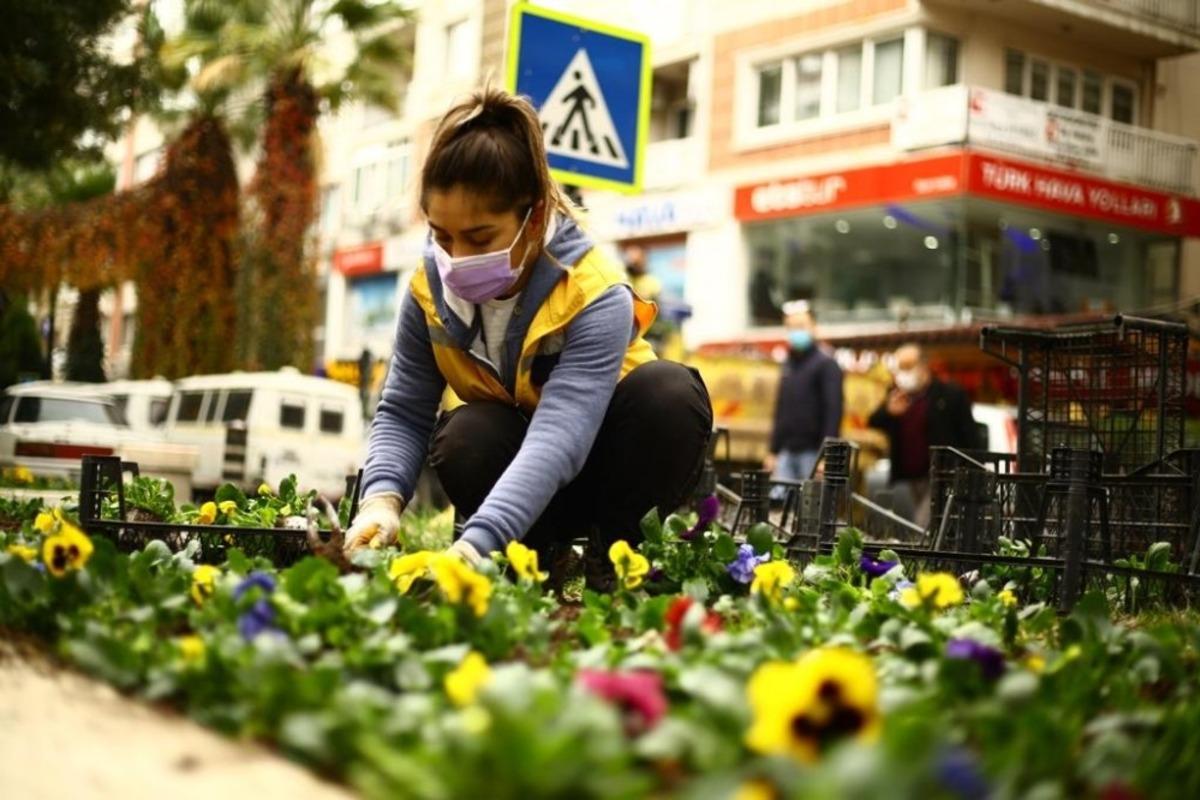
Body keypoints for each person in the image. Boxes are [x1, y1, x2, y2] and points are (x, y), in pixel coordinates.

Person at [344, 88, 713, 588]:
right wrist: (381, 501)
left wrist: (475, 542)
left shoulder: (592, 291)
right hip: (527, 494)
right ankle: (534, 562)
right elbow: (404, 410)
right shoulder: (427, 291)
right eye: (441, 235)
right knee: (467, 433)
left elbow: (560, 437)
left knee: (669, 393)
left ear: (534, 218)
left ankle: (616, 558)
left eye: (480, 238)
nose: (456, 258)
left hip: (605, 470)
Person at [867, 343, 978, 528]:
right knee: (919, 525)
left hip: (941, 476)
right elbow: (873, 421)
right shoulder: (897, 396)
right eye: (900, 367)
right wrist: (889, 412)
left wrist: (969, 472)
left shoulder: (950, 394)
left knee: (923, 525)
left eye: (908, 366)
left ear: (923, 366)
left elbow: (970, 437)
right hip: (909, 477)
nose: (903, 373)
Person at [764, 302, 843, 496]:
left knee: (810, 506)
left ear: (814, 327)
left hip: (813, 453)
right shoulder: (789, 364)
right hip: (787, 451)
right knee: (781, 505)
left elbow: (833, 411)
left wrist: (826, 456)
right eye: (791, 327)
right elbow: (781, 409)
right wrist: (773, 450)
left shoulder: (826, 364)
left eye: (801, 326)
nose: (796, 332)